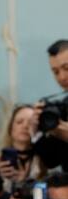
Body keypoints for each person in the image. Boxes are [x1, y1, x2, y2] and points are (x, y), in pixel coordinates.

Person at [0, 104, 45, 191]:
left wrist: (24, 183)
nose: (25, 126)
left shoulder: (41, 163)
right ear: (10, 128)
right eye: (19, 122)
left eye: (31, 123)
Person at [32, 40, 68, 172]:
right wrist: (36, 131)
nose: (62, 77)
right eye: (56, 72)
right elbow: (51, 161)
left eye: (66, 68)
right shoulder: (62, 107)